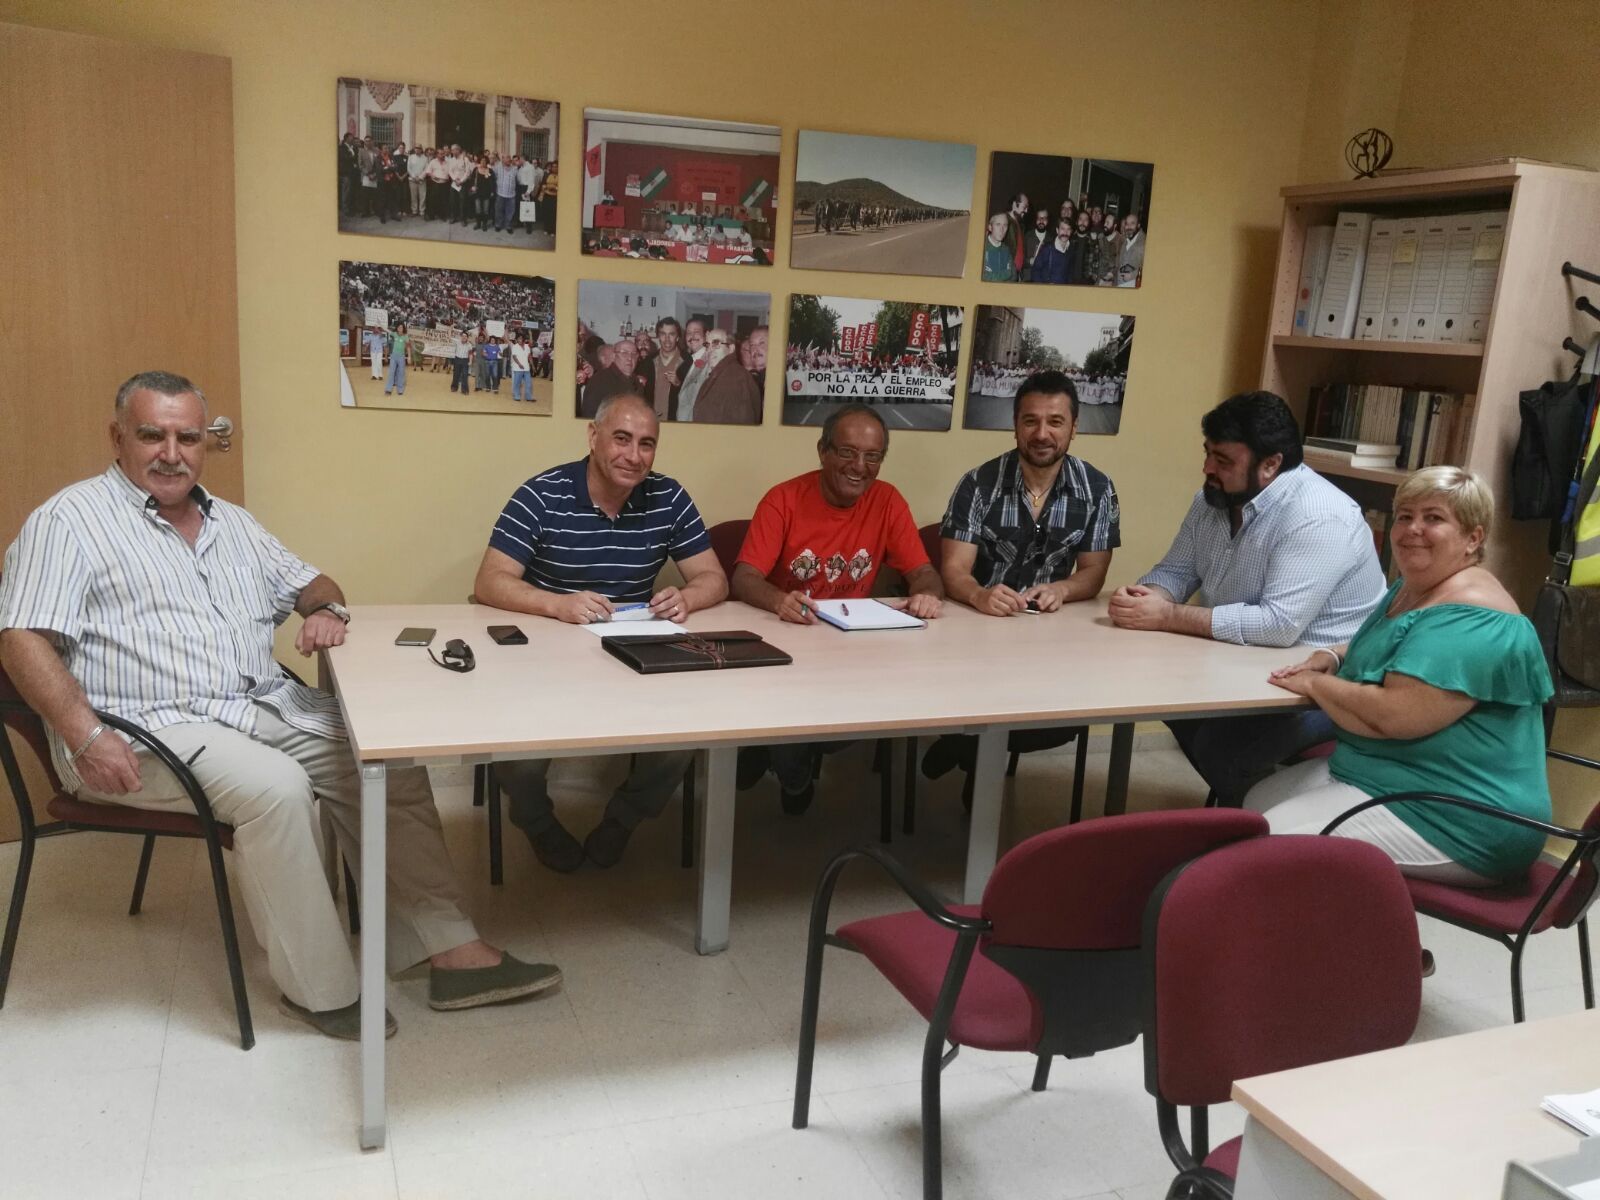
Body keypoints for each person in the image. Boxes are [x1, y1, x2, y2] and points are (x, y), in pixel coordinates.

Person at [0, 372, 559, 1038]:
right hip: (141, 731)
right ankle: (320, 991)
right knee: (277, 789)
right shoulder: (69, 521)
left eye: (187, 437)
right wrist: (85, 737)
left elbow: (315, 581)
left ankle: (447, 949)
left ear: (206, 442)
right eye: (152, 435)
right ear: (117, 437)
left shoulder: (232, 524)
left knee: (385, 760)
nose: (171, 454)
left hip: (255, 706)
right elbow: (20, 639)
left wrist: (324, 610)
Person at [1246, 467, 1554, 887]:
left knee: (1268, 840)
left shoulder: (1473, 613)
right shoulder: (1413, 589)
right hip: (1385, 775)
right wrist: (1331, 657)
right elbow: (1390, 647)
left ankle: (1350, 927)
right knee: (1255, 806)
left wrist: (1317, 685)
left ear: (1473, 538)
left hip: (1460, 815)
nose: (1413, 529)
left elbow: (1396, 715)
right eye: (1405, 516)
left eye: (1434, 518)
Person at [473, 393, 729, 871]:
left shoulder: (668, 496)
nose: (634, 455)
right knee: (517, 745)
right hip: (545, 652)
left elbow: (714, 578)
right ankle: (536, 821)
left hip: (630, 650)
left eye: (646, 444)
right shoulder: (542, 494)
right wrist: (558, 604)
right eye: (621, 439)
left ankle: (623, 820)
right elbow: (489, 581)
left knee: (686, 728)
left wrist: (688, 597)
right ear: (593, 438)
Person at [1109, 391, 1387, 805]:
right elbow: (1177, 571)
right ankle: (1247, 804)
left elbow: (1277, 625)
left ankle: (1264, 827)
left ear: (1270, 465)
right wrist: (1143, 597)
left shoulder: (1318, 515)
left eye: (1223, 460)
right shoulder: (1212, 499)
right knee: (1161, 699)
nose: (1207, 468)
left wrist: (1165, 615)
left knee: (1224, 749)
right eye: (1207, 453)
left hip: (1326, 684)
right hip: (1245, 663)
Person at [731, 404, 943, 812]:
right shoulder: (783, 499)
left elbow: (924, 572)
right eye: (847, 452)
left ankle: (772, 751)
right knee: (788, 712)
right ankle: (791, 773)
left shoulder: (887, 500)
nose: (859, 467)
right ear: (822, 451)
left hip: (850, 650)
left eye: (872, 456)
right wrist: (779, 600)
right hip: (787, 641)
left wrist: (926, 594)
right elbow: (744, 577)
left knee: (853, 724)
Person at [923, 370, 1120, 777]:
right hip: (976, 633)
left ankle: (969, 752)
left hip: (1048, 638)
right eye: (1031, 421)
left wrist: (1062, 589)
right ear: (1015, 425)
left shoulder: (1098, 489)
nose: (1042, 434)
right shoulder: (978, 484)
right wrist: (979, 595)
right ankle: (970, 749)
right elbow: (954, 569)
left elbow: (1094, 572)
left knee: (1058, 720)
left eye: (1055, 422)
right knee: (964, 699)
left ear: (1074, 427)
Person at [693, 328, 761, 425]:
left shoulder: (737, 379)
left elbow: (740, 427)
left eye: (716, 343)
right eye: (707, 345)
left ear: (731, 348)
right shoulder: (720, 375)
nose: (710, 350)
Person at [580, 337, 643, 419]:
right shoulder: (599, 380)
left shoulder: (637, 382)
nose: (630, 358)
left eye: (634, 354)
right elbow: (590, 416)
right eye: (624, 353)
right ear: (614, 356)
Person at [639, 317, 685, 420]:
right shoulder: (648, 362)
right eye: (663, 334)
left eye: (671, 334)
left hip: (676, 422)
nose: (667, 339)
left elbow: (692, 395)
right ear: (658, 336)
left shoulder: (687, 361)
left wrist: (678, 383)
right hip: (651, 421)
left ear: (677, 337)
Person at [675, 318, 711, 422]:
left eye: (696, 332)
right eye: (689, 333)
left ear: (706, 335)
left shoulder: (710, 363)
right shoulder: (692, 361)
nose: (692, 336)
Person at [1030, 216, 1078, 285]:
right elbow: (1035, 271)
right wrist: (1043, 287)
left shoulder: (1070, 250)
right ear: (1057, 230)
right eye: (1062, 229)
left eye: (1068, 229)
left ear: (1071, 232)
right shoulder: (1047, 249)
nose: (1065, 232)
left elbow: (1069, 274)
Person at [982, 213, 1017, 282]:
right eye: (998, 224)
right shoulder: (981, 247)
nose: (1002, 229)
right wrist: (1007, 273)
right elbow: (983, 278)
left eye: (1005, 225)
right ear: (990, 227)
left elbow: (1014, 276)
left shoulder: (1006, 249)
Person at [1116, 212, 1145, 287]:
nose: (1129, 227)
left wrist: (1133, 275)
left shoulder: (1145, 242)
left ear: (1138, 225)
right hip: (1120, 284)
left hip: (1134, 286)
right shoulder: (1125, 240)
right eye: (1127, 224)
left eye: (1132, 223)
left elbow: (1151, 267)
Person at [1021, 208, 1051, 281]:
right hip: (1027, 279)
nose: (1041, 221)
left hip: (1043, 280)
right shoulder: (1027, 236)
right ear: (1035, 219)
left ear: (1048, 220)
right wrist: (1029, 261)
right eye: (1039, 218)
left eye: (1044, 218)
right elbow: (1019, 259)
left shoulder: (1051, 239)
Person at [384, 322, 408, 396]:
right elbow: (387, 330)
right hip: (393, 356)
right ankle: (388, 390)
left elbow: (408, 347)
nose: (400, 329)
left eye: (401, 327)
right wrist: (380, 325)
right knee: (391, 372)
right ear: (397, 328)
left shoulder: (405, 336)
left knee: (401, 373)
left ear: (403, 328)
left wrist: (409, 357)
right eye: (399, 327)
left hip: (401, 357)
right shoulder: (394, 334)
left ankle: (400, 390)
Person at [509, 334, 533, 402]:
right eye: (518, 339)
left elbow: (529, 356)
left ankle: (528, 397)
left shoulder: (527, 346)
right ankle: (517, 396)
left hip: (526, 368)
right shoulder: (515, 346)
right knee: (517, 383)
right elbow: (514, 357)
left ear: (524, 339)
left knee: (529, 383)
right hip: (517, 368)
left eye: (520, 338)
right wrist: (519, 364)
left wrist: (532, 365)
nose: (519, 340)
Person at [450, 328, 472, 394]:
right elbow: (449, 336)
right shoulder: (457, 342)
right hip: (457, 359)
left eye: (465, 336)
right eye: (463, 336)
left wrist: (470, 361)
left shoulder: (469, 345)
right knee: (456, 374)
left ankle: (464, 390)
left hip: (465, 360)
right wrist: (450, 328)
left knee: (465, 375)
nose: (464, 337)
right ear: (461, 336)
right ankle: (454, 387)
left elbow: (470, 354)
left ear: (467, 337)